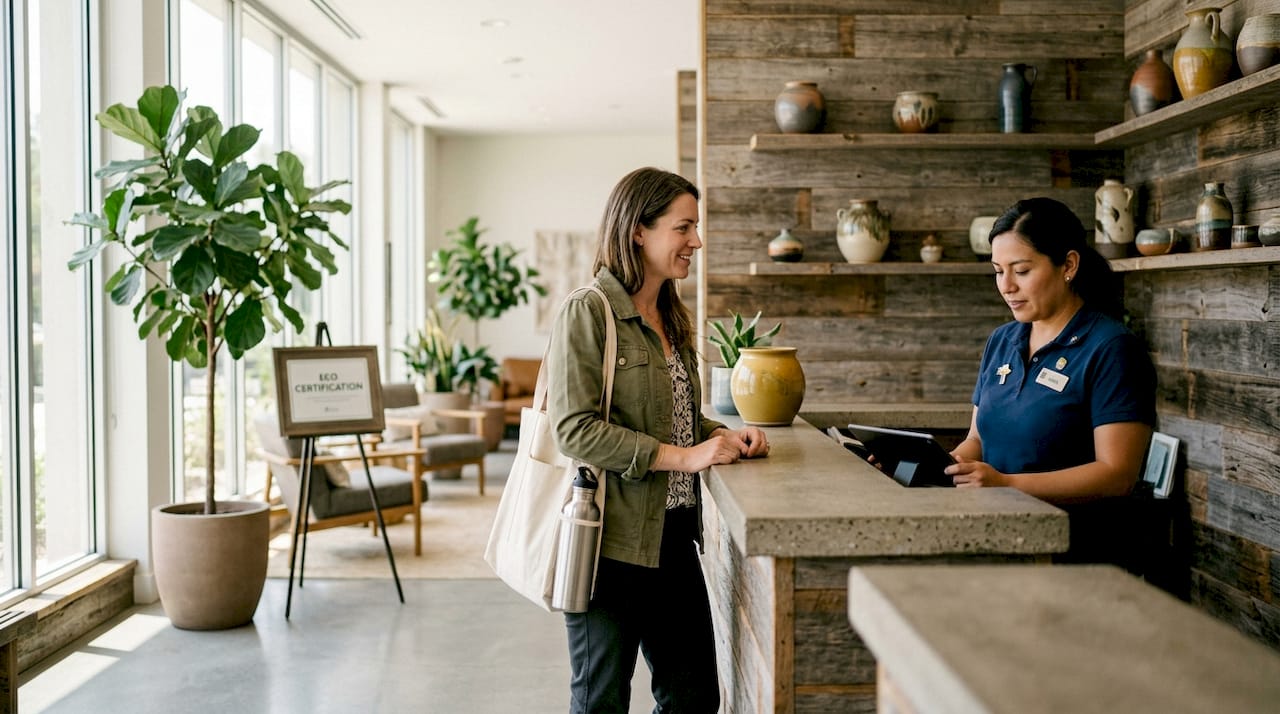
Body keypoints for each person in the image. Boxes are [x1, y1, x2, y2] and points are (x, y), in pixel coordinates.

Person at [546, 166, 769, 713]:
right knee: (601, 702)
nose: (696, 241)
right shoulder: (588, 311)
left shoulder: (671, 315)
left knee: (693, 698)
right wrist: (685, 457)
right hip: (608, 545)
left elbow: (678, 418)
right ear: (637, 231)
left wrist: (724, 436)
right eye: (683, 227)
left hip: (672, 540)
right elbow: (573, 429)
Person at [945, 197, 1156, 569]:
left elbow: (1116, 475)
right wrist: (929, 466)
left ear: (1068, 265)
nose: (1006, 286)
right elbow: (977, 439)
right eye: (997, 271)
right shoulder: (1001, 340)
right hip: (997, 543)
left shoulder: (1112, 348)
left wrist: (1008, 485)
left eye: (1021, 270)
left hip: (1078, 557)